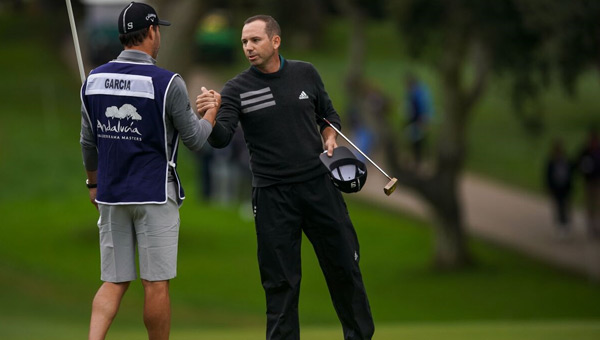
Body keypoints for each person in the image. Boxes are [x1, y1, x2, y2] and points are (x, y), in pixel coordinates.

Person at [196, 15, 374, 340]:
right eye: (244, 42)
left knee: (345, 269)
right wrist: (209, 113)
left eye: (255, 40)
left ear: (275, 41)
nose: (248, 47)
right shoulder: (236, 89)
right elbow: (221, 138)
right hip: (272, 196)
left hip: (319, 187)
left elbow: (328, 115)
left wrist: (330, 136)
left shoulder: (305, 73)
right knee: (281, 284)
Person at [79, 2, 218, 339]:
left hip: (112, 195)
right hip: (154, 194)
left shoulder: (93, 80)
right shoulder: (168, 82)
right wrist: (212, 112)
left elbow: (87, 142)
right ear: (152, 32)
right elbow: (197, 141)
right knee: (155, 285)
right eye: (159, 32)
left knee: (113, 282)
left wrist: (93, 185)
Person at [544, 139, 574, 237]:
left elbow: (570, 174)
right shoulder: (551, 162)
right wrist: (549, 187)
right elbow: (548, 176)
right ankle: (560, 225)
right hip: (556, 188)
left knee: (566, 206)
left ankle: (566, 224)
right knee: (558, 206)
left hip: (565, 188)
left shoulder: (565, 161)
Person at [404, 73, 432, 166]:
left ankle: (418, 161)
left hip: (418, 120)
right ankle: (415, 159)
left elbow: (423, 107)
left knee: (418, 141)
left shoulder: (420, 93)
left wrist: (423, 121)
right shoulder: (413, 92)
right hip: (413, 119)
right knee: (413, 140)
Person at [577, 128, 600, 239]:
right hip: (589, 182)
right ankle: (591, 227)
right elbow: (578, 163)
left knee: (596, 204)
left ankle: (596, 226)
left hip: (597, 182)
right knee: (590, 205)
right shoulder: (585, 152)